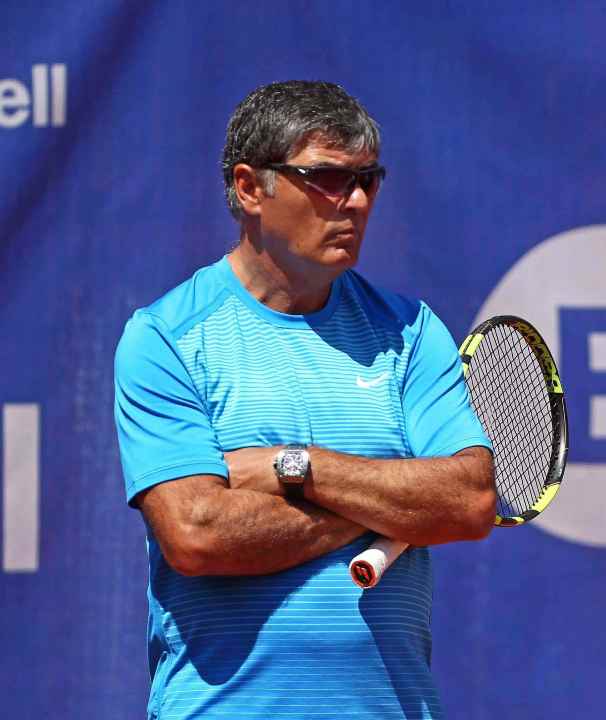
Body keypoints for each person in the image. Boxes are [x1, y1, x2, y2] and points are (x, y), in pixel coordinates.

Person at [113, 81, 496, 719]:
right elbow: (198, 534)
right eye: (325, 178)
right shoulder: (164, 338)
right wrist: (392, 508)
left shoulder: (412, 331)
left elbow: (470, 500)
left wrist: (298, 466)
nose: (354, 201)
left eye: (368, 179)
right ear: (249, 188)